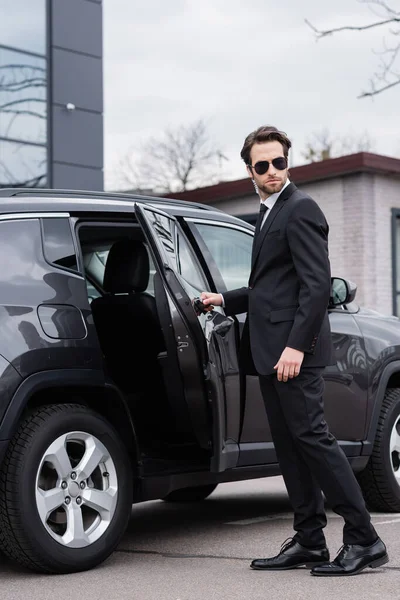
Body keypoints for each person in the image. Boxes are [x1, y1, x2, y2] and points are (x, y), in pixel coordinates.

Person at [200, 125, 388, 577]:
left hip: (292, 355)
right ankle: (309, 540)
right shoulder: (266, 213)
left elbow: (316, 286)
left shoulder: (301, 208)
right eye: (262, 165)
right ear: (250, 170)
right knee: (290, 447)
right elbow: (270, 287)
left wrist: (296, 348)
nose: (272, 171)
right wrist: (225, 299)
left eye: (279, 162)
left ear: (289, 161)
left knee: (316, 442)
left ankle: (365, 539)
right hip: (271, 352)